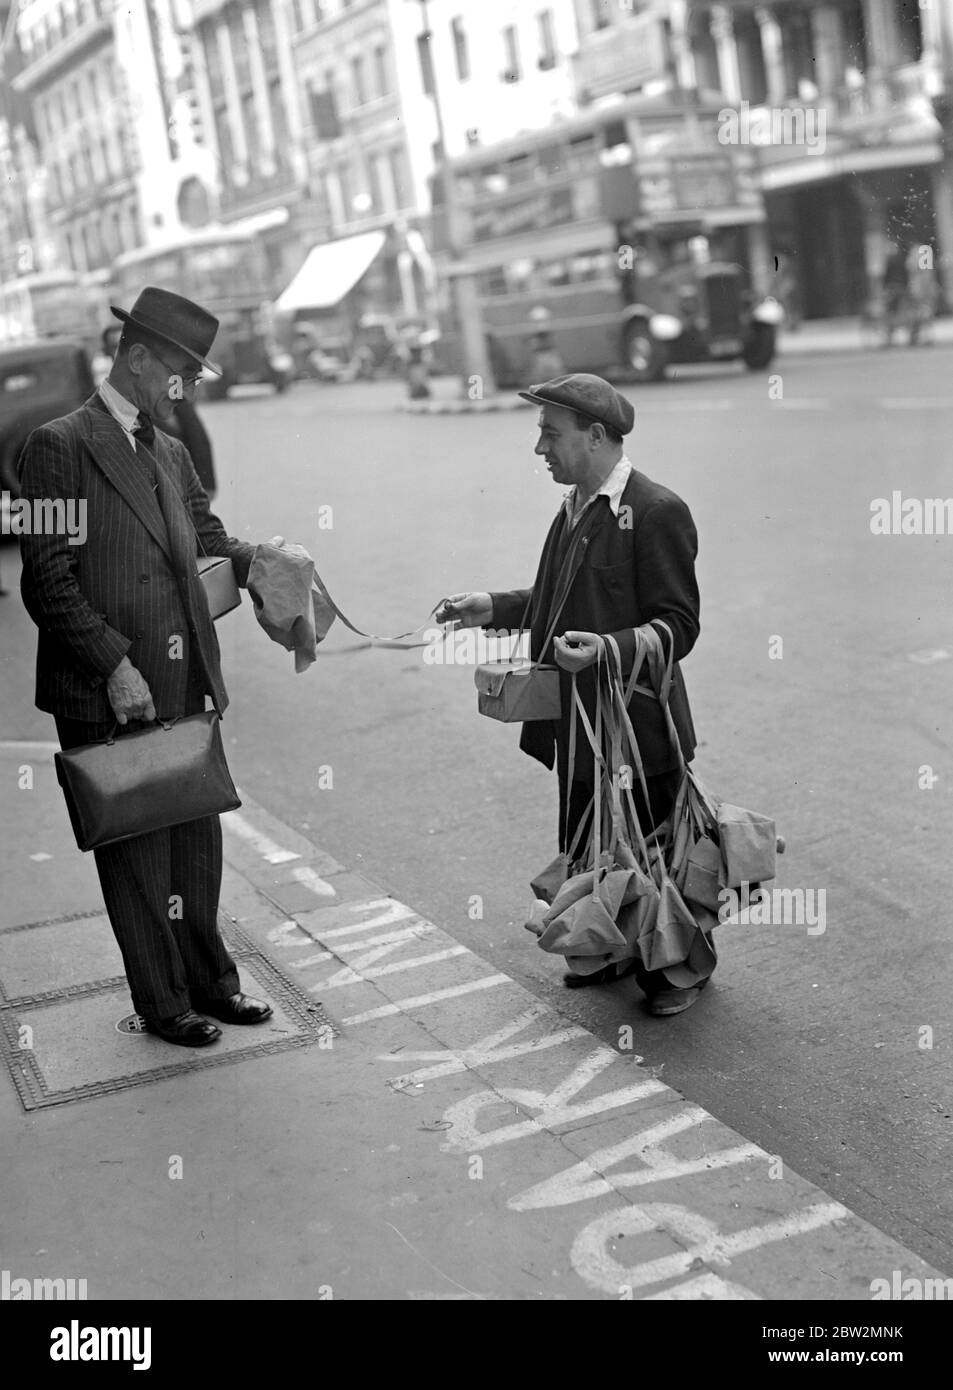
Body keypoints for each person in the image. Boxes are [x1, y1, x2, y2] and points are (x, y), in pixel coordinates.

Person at [19, 286, 275, 1048]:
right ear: (136, 359)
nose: (188, 389)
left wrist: (269, 561)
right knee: (137, 851)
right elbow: (45, 576)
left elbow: (207, 534)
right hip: (114, 686)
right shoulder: (55, 445)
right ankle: (164, 1003)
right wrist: (112, 665)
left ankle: (212, 984)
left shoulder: (168, 446)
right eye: (182, 373)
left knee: (196, 838)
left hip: (182, 673)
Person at [438, 373, 706, 1016]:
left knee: (653, 847)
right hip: (579, 723)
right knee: (596, 843)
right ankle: (610, 946)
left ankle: (681, 971)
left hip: (637, 729)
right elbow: (556, 604)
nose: (540, 450)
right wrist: (491, 608)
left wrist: (607, 649)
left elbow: (680, 624)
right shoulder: (576, 508)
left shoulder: (657, 510)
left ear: (595, 436)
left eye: (549, 435)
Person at [97, 323, 216, 496]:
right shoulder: (105, 395)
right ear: (106, 352)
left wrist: (207, 483)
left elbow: (195, 432)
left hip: (176, 484)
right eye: (114, 346)